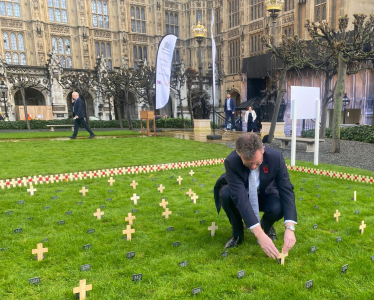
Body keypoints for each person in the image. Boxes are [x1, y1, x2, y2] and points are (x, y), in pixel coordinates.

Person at [213, 133, 297, 260]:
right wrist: (259, 235)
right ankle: (237, 233)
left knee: (278, 206)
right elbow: (240, 199)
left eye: (257, 163)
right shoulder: (231, 162)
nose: (253, 167)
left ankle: (266, 226)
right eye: (248, 164)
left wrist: (290, 227)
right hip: (242, 192)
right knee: (225, 194)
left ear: (263, 150)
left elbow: (286, 190)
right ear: (238, 153)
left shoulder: (276, 157)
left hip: (265, 193)